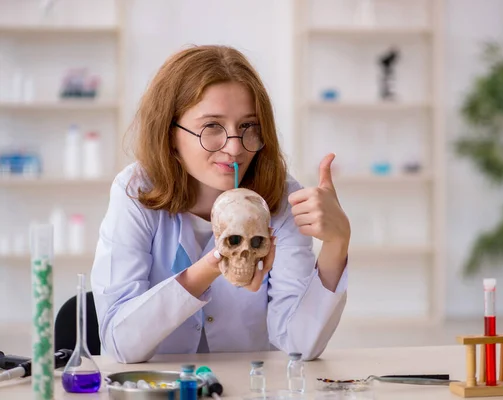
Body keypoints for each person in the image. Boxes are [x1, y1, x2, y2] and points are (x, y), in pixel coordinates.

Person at [90, 45, 351, 364]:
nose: (234, 147)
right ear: (171, 132)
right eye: (212, 127)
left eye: (248, 127)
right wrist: (215, 263)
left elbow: (299, 344)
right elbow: (121, 344)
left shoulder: (280, 196)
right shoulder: (135, 191)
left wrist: (337, 244)